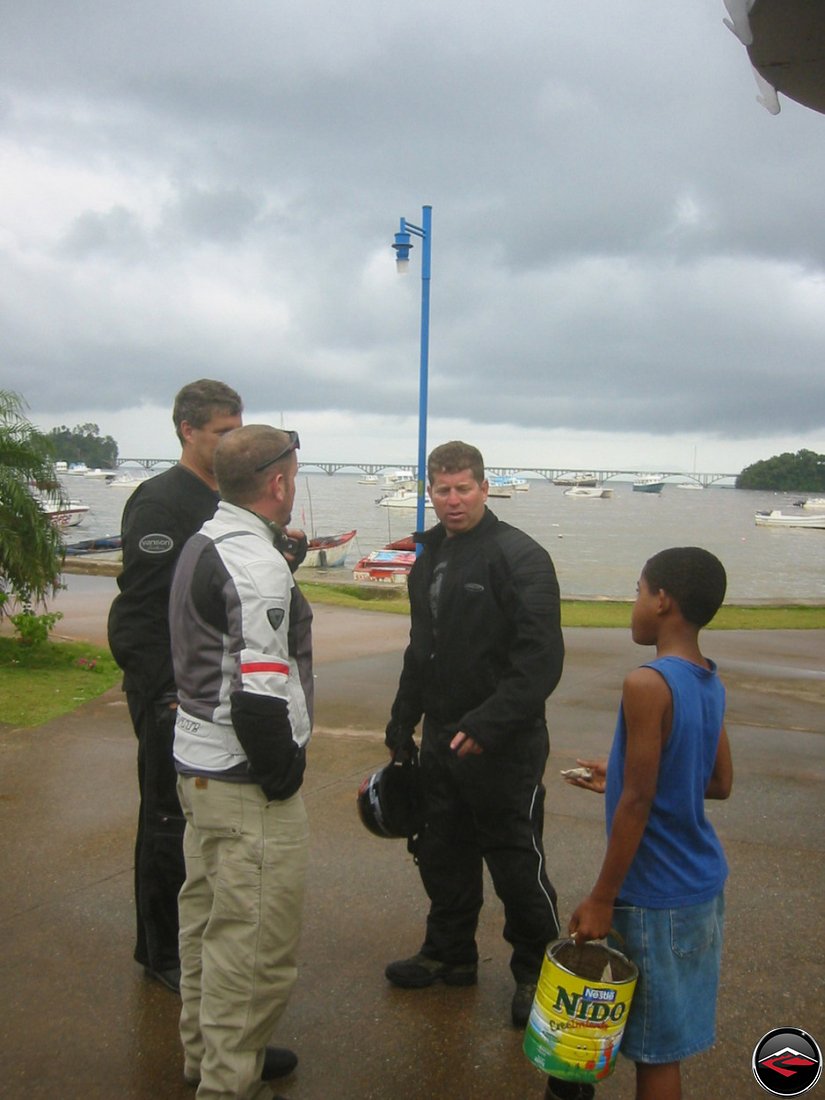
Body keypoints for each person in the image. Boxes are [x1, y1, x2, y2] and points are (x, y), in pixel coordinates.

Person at [383, 441, 565, 1032]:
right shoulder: (428, 554)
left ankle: (536, 974)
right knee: (441, 851)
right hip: (440, 736)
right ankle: (449, 953)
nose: (453, 500)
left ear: (485, 488)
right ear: (428, 492)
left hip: (503, 741)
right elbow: (421, 646)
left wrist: (490, 724)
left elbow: (540, 660)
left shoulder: (521, 556)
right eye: (442, 490)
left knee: (514, 860)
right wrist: (400, 721)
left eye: (464, 488)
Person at [169, 424, 312, 1098]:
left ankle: (209, 1055)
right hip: (240, 777)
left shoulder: (209, 540)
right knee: (253, 943)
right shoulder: (254, 564)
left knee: (205, 921)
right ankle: (227, 1081)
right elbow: (259, 699)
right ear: (278, 483)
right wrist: (282, 775)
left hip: (199, 766)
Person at [565, 546, 733, 1100]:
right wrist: (618, 774)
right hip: (699, 890)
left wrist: (601, 898)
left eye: (638, 591)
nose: (634, 603)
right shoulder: (708, 679)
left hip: (654, 896)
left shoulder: (647, 683)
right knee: (668, 1042)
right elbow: (715, 782)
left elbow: (638, 802)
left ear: (663, 601)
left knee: (655, 1058)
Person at [107, 379, 243, 992]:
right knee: (166, 820)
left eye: (238, 428)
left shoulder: (227, 495)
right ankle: (160, 952)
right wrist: (163, 692)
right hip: (170, 688)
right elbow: (140, 610)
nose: (233, 440)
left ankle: (196, 938)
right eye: (223, 432)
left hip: (212, 684)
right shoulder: (162, 503)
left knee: (206, 822)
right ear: (188, 431)